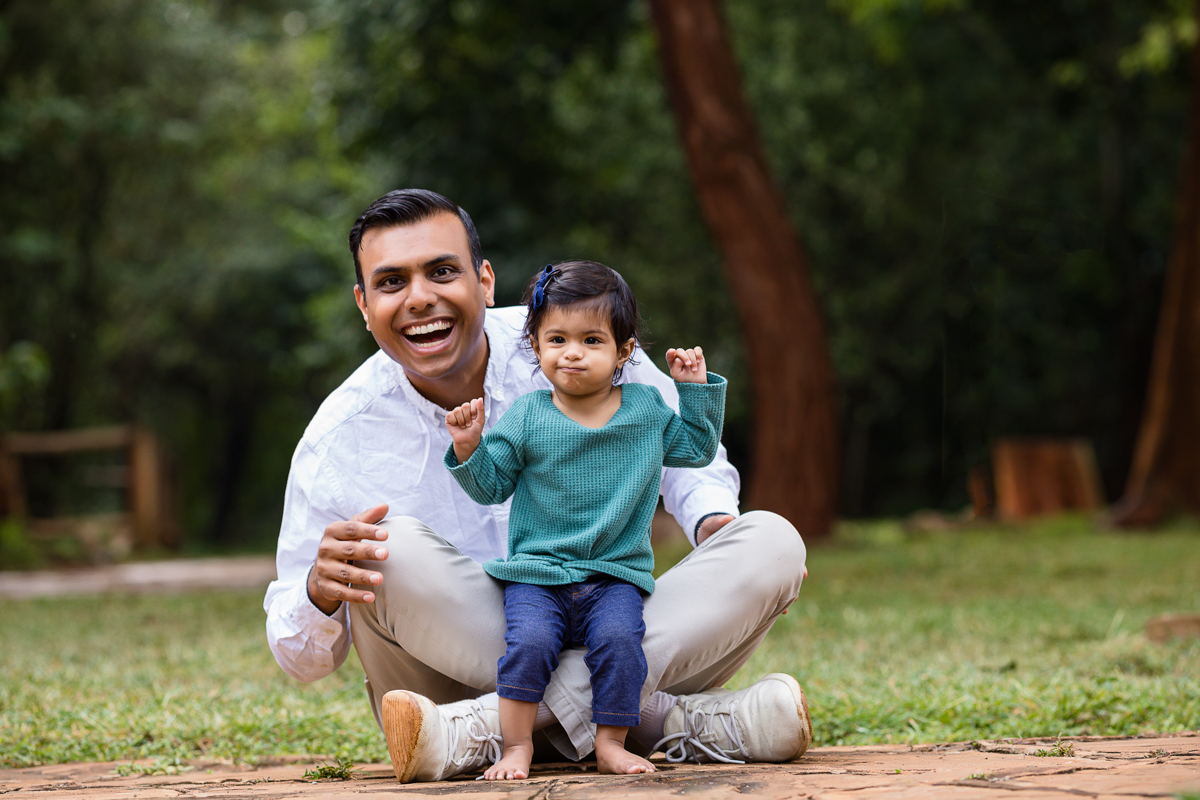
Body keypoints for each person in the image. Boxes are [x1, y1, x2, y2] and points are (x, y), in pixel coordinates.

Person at [264, 188, 813, 784]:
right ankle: (668, 724)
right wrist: (320, 591)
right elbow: (301, 660)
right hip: (450, 675)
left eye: (442, 272)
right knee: (384, 544)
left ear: (485, 281)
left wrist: (714, 527)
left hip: (612, 614)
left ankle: (482, 731)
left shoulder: (571, 341)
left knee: (772, 543)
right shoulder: (338, 438)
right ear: (363, 304)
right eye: (392, 282)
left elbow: (684, 452)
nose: (420, 298)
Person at [441, 260, 726, 778]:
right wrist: (468, 447)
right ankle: (516, 748)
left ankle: (611, 744)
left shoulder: (644, 410)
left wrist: (695, 390)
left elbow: (699, 448)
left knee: (621, 645)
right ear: (536, 345)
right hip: (538, 575)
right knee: (528, 645)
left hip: (614, 574)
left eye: (592, 340)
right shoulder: (528, 416)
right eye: (557, 339)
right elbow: (490, 486)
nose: (572, 353)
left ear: (624, 351)